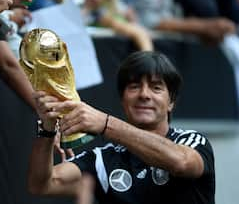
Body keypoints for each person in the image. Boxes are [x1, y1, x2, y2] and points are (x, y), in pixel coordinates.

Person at [28, 51, 215, 204]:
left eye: (156, 88)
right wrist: (48, 128)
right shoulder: (102, 160)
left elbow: (182, 163)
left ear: (171, 102)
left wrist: (106, 123)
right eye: (134, 87)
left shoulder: (191, 141)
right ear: (122, 99)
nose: (144, 94)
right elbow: (42, 185)